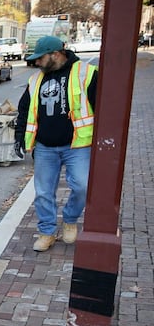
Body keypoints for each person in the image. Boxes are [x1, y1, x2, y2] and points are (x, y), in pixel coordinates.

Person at [14, 35, 98, 252]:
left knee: (82, 186)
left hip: (77, 146)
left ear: (55, 54)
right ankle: (47, 232)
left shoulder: (86, 73)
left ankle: (69, 219)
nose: (36, 63)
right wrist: (19, 137)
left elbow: (103, 108)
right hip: (44, 147)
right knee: (43, 192)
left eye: (40, 58)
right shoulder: (36, 80)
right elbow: (24, 110)